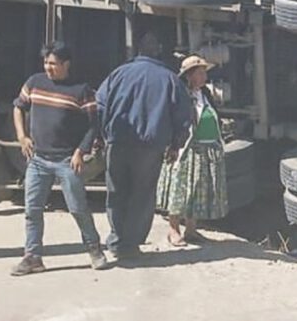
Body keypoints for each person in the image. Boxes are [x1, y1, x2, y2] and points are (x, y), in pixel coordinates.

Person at [10, 41, 111, 276]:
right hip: (37, 160)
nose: (48, 67)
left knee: (77, 208)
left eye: (53, 63)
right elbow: (18, 107)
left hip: (67, 161)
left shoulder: (81, 90)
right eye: (46, 62)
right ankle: (32, 256)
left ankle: (94, 250)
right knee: (32, 210)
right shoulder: (35, 82)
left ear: (66, 64)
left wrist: (80, 151)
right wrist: (22, 136)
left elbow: (93, 124)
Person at [96, 32, 192, 260]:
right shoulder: (170, 79)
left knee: (117, 191)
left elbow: (98, 104)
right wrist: (175, 145)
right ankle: (131, 242)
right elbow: (183, 116)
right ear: (158, 50)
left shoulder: (119, 73)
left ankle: (117, 238)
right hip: (150, 148)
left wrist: (101, 135)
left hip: (118, 142)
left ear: (138, 50)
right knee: (143, 194)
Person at [156, 55, 228, 246]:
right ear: (189, 76)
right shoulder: (180, 95)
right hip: (185, 148)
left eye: (205, 72)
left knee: (197, 190)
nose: (204, 76)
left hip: (205, 149)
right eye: (200, 72)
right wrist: (172, 145)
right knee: (181, 188)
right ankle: (173, 229)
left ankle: (191, 229)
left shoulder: (204, 94)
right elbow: (174, 121)